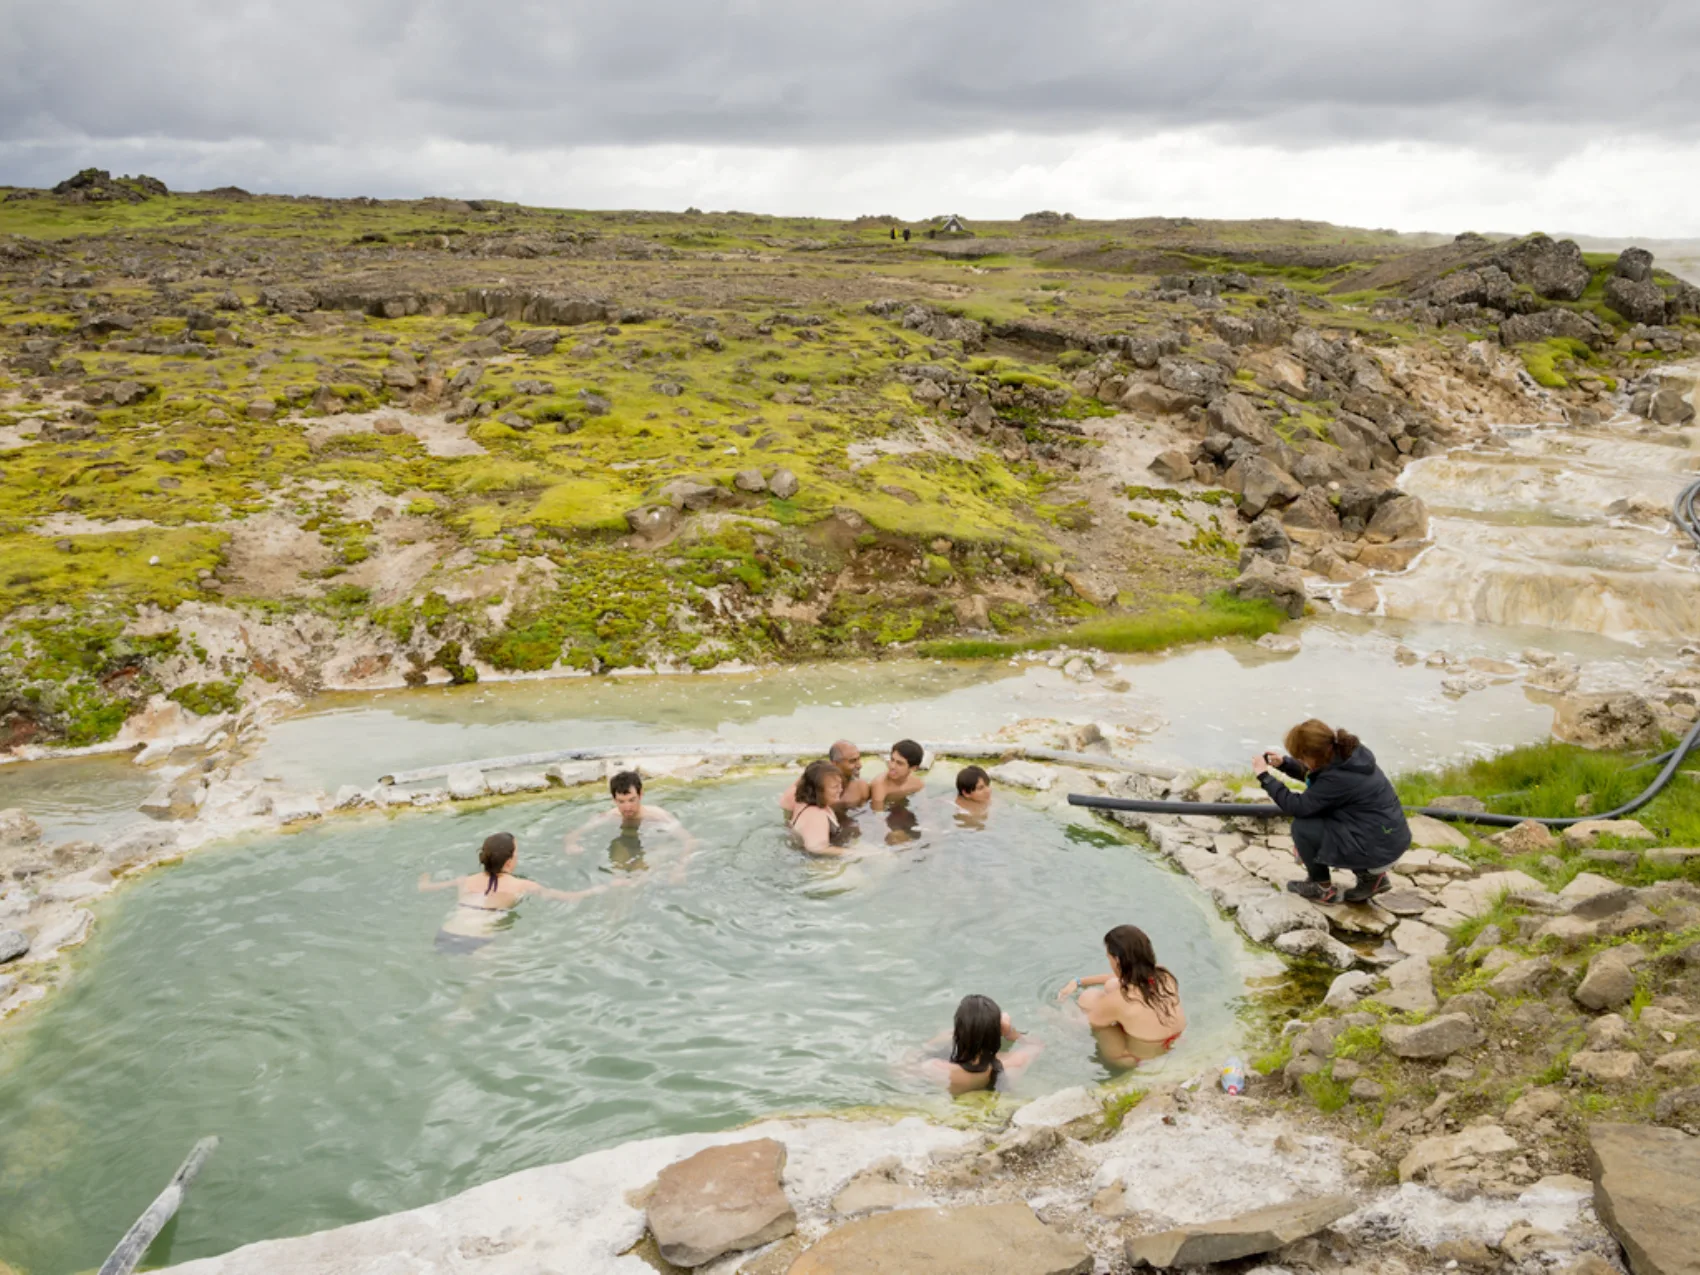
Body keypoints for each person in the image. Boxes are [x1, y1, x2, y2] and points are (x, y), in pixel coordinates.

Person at [1254, 719, 1411, 904]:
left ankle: (1320, 888)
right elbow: (1320, 781)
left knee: (1303, 827)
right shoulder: (1347, 756)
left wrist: (1264, 777)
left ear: (1312, 755)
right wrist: (1284, 764)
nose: (1300, 761)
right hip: (1388, 840)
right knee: (1326, 816)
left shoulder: (1337, 776)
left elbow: (1298, 807)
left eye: (1301, 758)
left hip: (1377, 847)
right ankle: (1372, 878)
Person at [419, 832, 608, 954]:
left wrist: (425, 877)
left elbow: (425, 888)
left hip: (446, 933)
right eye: (516, 852)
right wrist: (601, 887)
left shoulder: (464, 881)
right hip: (479, 939)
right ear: (509, 862)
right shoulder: (522, 885)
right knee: (479, 989)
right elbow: (570, 897)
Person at [1057, 924, 1186, 1068]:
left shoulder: (1118, 1000)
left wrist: (1053, 1011)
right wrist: (1078, 981)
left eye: (1109, 958)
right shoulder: (1164, 975)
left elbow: (1082, 1025)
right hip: (1174, 1041)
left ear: (1117, 960)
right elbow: (1119, 978)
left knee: (1088, 999)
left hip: (1136, 1059)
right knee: (1112, 985)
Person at [565, 771, 696, 879]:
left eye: (632, 800)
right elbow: (575, 833)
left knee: (640, 878)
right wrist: (571, 844)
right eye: (621, 801)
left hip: (653, 847)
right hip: (625, 846)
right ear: (614, 799)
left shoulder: (657, 816)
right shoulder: (611, 815)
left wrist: (680, 868)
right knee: (617, 879)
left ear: (641, 794)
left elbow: (689, 840)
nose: (627, 807)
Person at [920, 994, 1043, 1096]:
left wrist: (944, 1036)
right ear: (997, 1033)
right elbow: (1037, 1045)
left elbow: (917, 1055)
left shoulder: (936, 1069)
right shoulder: (1013, 1063)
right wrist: (1011, 1032)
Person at [780, 741, 870, 813]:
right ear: (835, 764)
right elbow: (787, 802)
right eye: (852, 761)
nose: (859, 765)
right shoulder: (818, 782)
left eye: (859, 759)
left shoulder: (862, 787)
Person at [786, 759, 846, 855]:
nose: (841, 789)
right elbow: (816, 848)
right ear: (818, 790)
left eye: (840, 784)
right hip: (815, 863)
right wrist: (855, 852)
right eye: (835, 787)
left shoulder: (801, 803)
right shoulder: (816, 815)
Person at [869, 739, 926, 811]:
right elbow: (877, 815)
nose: (892, 766)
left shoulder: (917, 784)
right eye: (892, 760)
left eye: (899, 763)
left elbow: (924, 808)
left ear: (913, 768)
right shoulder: (880, 784)